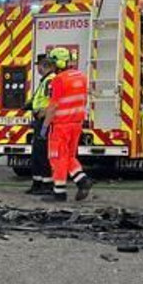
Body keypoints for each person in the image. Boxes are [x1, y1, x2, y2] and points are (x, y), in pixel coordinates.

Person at [43, 46, 93, 201]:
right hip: (76, 124)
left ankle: (59, 192)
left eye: (52, 63)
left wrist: (45, 125)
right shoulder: (82, 77)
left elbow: (53, 106)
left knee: (57, 157)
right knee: (69, 156)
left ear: (58, 64)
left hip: (61, 126)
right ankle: (82, 181)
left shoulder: (59, 80)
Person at [26, 52, 54, 194]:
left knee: (42, 155)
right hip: (39, 120)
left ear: (43, 66)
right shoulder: (45, 80)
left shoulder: (50, 80)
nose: (37, 69)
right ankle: (37, 184)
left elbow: (52, 103)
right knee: (36, 155)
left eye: (38, 66)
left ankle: (47, 186)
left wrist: (41, 113)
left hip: (45, 122)